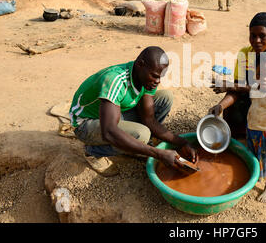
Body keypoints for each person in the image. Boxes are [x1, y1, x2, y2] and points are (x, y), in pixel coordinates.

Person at [69, 47, 198, 177]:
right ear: (140, 64)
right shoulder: (116, 81)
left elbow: (149, 120)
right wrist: (158, 153)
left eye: (160, 77)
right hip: (86, 123)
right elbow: (109, 132)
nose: (157, 81)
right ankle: (93, 152)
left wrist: (183, 142)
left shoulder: (145, 79)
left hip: (114, 114)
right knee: (141, 134)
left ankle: (136, 144)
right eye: (154, 76)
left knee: (165, 97)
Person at [210, 53, 266, 203]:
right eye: (259, 75)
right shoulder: (256, 87)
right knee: (252, 154)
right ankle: (253, 176)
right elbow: (243, 88)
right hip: (252, 130)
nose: (263, 79)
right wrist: (225, 86)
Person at [209, 12, 266, 139]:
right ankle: (235, 136)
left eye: (262, 36)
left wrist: (233, 86)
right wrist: (221, 106)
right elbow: (237, 88)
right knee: (231, 112)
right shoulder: (245, 53)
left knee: (262, 109)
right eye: (253, 36)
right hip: (253, 89)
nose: (257, 41)